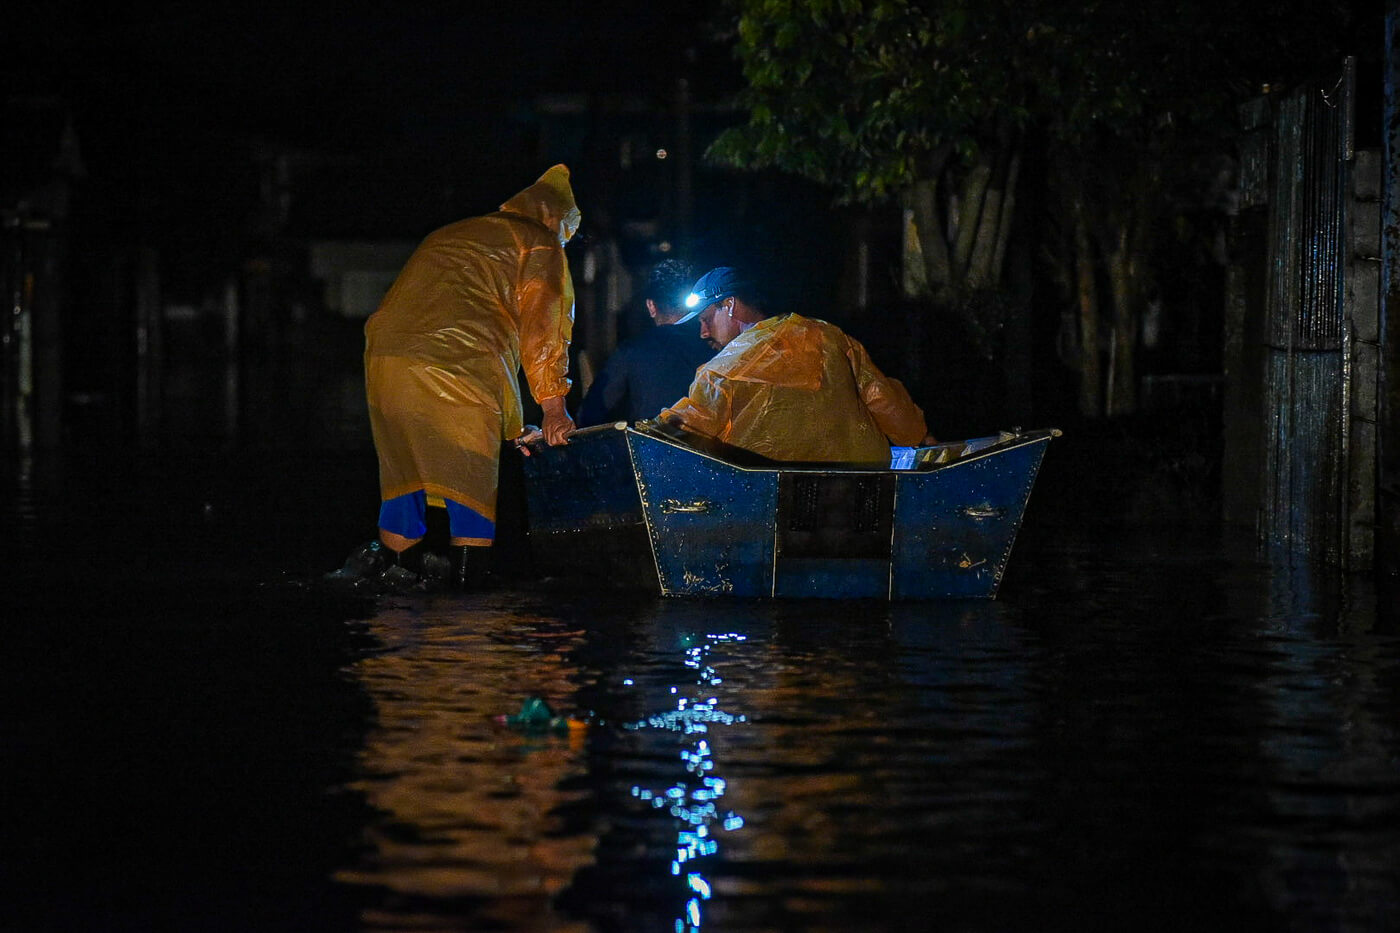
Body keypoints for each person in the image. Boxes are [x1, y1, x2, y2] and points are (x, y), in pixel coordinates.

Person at [330, 164, 581, 590]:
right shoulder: (538, 243)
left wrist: (515, 428)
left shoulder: (451, 233)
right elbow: (544, 331)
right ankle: (469, 599)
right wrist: (554, 409)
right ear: (556, 221)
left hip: (386, 360)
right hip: (457, 360)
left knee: (402, 475)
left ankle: (395, 589)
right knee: (472, 474)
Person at [659, 265, 933, 465]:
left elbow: (681, 430)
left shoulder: (721, 372)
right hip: (860, 490)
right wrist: (929, 446)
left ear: (729, 305)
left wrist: (648, 433)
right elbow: (885, 402)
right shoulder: (829, 336)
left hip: (771, 502)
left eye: (706, 318)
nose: (703, 332)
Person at [576, 258, 714, 427]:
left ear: (651, 306)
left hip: (652, 448)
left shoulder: (632, 350)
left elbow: (592, 412)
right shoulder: (718, 345)